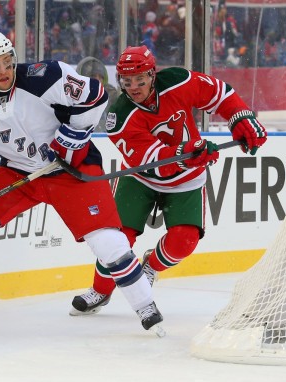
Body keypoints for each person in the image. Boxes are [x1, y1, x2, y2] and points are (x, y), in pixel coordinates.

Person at [0, 31, 163, 333]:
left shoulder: (46, 76)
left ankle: (146, 306)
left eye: (7, 62)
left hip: (70, 170)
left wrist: (72, 136)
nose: (3, 72)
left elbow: (96, 95)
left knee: (108, 242)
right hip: (18, 173)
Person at [70, 45, 267, 315]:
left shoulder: (177, 81)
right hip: (140, 177)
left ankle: (151, 265)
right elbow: (151, 160)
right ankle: (100, 291)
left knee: (184, 240)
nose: (135, 87)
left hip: (187, 179)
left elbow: (218, 93)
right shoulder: (119, 116)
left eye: (141, 80)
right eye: (128, 82)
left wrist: (239, 115)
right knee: (118, 241)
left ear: (153, 75)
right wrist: (184, 154)